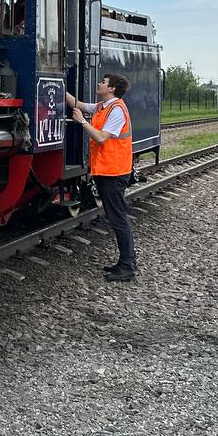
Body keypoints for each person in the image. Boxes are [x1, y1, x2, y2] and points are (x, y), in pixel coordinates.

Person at [66, 74, 137, 282]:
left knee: (118, 218)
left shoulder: (116, 110)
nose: (99, 83)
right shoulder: (102, 106)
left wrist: (81, 122)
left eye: (104, 82)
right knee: (118, 217)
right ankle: (128, 262)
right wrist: (59, 85)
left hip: (114, 172)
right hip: (107, 171)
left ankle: (127, 266)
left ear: (112, 89)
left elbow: (101, 137)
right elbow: (78, 104)